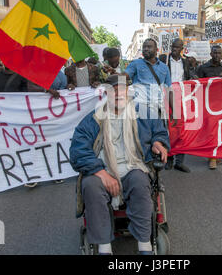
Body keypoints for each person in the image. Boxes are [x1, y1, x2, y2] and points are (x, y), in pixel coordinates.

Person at [69, 74, 170, 255]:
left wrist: (158, 142)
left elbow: (159, 132)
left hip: (133, 165)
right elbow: (78, 150)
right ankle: (104, 248)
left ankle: (145, 246)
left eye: (121, 89)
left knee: (140, 182)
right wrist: (101, 173)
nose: (118, 94)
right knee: (90, 185)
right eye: (112, 90)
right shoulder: (94, 119)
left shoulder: (143, 113)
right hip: (103, 168)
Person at [165, 38, 196, 173]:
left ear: (181, 49)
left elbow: (188, 76)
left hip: (182, 98)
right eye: (173, 47)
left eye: (177, 47)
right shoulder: (164, 60)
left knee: (182, 129)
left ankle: (180, 161)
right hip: (167, 97)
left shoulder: (185, 62)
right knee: (170, 128)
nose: (174, 49)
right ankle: (169, 158)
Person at [197, 45, 222, 170]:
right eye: (214, 53)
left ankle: (216, 155)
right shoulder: (203, 68)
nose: (216, 55)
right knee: (211, 130)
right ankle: (212, 157)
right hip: (207, 103)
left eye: (219, 53)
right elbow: (197, 83)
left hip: (221, 103)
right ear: (211, 54)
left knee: (219, 130)